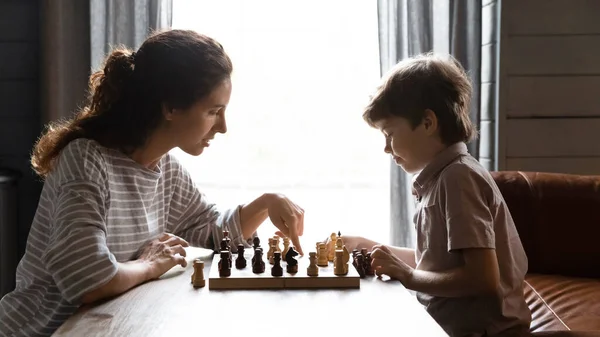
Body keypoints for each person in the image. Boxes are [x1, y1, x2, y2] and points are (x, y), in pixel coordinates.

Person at [0, 29, 305, 336]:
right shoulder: (86, 159)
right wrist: (149, 266)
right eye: (214, 111)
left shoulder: (166, 170)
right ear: (171, 107)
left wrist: (267, 202)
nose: (223, 127)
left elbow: (213, 233)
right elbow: (88, 280)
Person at [335, 53, 532, 336]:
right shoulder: (441, 178)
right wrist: (372, 246)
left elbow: (482, 279)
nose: (386, 148)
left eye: (390, 134)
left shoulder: (458, 178)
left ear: (428, 123)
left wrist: (408, 276)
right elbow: (437, 266)